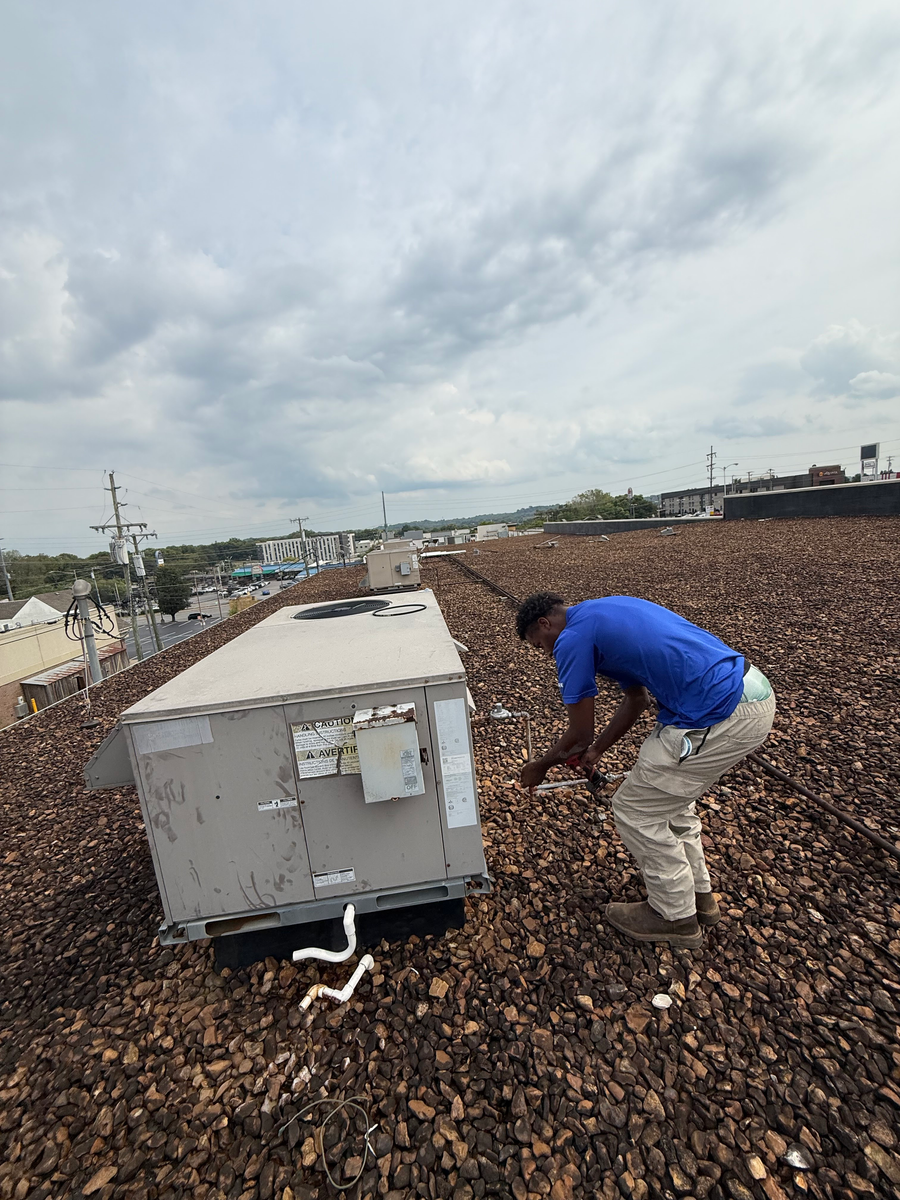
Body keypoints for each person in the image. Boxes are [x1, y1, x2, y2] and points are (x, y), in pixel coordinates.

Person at [516, 592, 775, 948]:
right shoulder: (601, 612)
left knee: (635, 810)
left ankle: (674, 917)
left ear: (545, 624)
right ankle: (700, 899)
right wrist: (596, 751)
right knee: (669, 801)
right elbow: (636, 700)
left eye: (538, 644)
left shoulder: (570, 639)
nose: (544, 652)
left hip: (719, 712)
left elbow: (578, 732)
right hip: (750, 689)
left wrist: (540, 766)